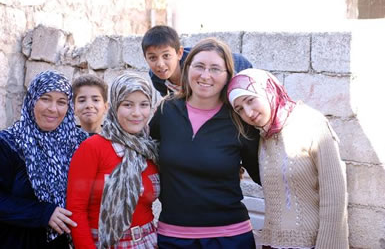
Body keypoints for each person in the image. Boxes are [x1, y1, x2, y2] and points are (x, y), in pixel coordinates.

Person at [149, 38, 260, 249]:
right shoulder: (166, 112)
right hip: (173, 237)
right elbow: (142, 155)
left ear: (228, 75)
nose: (205, 75)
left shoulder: (239, 119)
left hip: (230, 238)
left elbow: (264, 174)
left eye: (216, 69)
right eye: (199, 66)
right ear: (187, 68)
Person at [227, 68, 349, 249]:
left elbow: (335, 194)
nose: (249, 113)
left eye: (250, 100)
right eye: (240, 109)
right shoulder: (262, 136)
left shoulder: (310, 122)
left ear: (268, 90)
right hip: (272, 243)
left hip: (313, 244)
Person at [0, 70, 88, 249]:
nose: (53, 108)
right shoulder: (7, 143)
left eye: (61, 102)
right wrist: (43, 213)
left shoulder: (78, 143)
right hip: (13, 241)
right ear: (32, 100)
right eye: (45, 98)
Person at [66, 73, 159, 248]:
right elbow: (76, 210)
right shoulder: (93, 148)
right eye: (127, 104)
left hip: (148, 242)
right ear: (114, 106)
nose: (136, 113)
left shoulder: (150, 150)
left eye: (144, 104)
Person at [142, 25, 253, 96]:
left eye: (166, 56)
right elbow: (170, 99)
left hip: (237, 67)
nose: (160, 64)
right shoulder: (156, 78)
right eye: (152, 58)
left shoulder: (194, 65)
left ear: (179, 53)